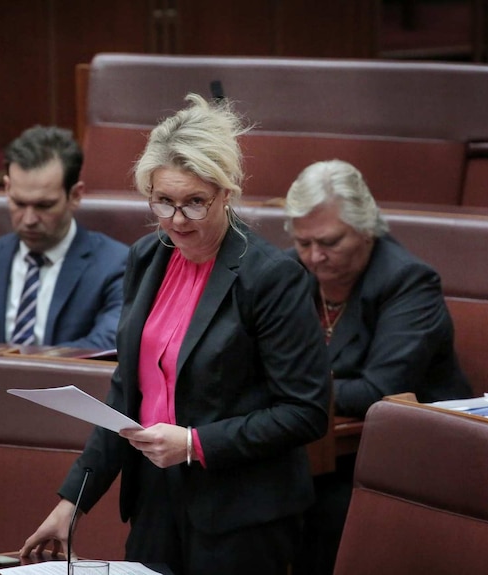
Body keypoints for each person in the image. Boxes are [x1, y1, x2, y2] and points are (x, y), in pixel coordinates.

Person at [19, 94, 331, 575]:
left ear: (227, 194)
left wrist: (194, 443)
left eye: (194, 203)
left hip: (241, 517)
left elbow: (305, 412)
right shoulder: (147, 258)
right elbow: (127, 394)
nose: (176, 220)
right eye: (163, 201)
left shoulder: (271, 277)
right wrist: (71, 504)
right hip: (155, 505)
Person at [284, 158, 473, 575]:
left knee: (313, 509)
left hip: (403, 456)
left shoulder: (409, 282)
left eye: (330, 242)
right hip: (315, 443)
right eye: (302, 243)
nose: (314, 257)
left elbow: (377, 391)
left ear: (366, 228)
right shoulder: (288, 272)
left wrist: (291, 387)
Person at [0, 126, 128, 350]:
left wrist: (15, 360)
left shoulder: (115, 265)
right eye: (19, 203)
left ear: (75, 195)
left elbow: (106, 346)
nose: (28, 219)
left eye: (44, 205)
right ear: (7, 188)